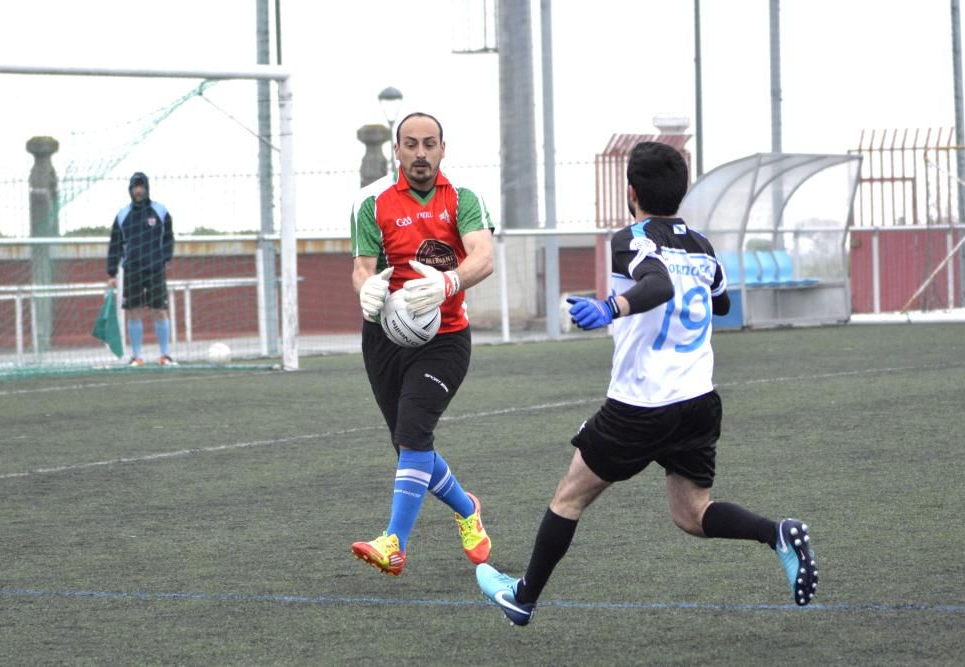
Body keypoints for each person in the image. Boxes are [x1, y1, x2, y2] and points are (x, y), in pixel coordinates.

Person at [476, 142, 818, 626]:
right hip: (698, 400)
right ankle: (777, 534)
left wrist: (611, 308)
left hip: (641, 404)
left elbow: (658, 284)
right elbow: (719, 303)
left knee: (568, 498)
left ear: (630, 192)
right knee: (692, 514)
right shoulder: (701, 245)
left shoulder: (631, 237)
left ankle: (523, 597)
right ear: (681, 194)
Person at [349, 112, 496, 576]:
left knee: (413, 432)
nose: (420, 153)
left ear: (442, 148)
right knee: (408, 447)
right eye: (410, 144)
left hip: (445, 339)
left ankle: (394, 543)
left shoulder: (463, 200)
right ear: (397, 150)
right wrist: (366, 291)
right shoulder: (371, 202)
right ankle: (467, 507)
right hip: (385, 338)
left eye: (429, 144)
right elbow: (362, 266)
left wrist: (449, 282)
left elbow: (483, 256)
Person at [106, 172, 176, 366]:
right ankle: (136, 357)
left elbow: (169, 238)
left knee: (159, 310)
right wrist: (111, 272)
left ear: (147, 188)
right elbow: (115, 245)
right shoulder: (122, 215)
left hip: (155, 269)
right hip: (132, 270)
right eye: (135, 187)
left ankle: (165, 355)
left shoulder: (160, 212)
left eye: (141, 186)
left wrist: (164, 258)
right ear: (130, 190)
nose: (138, 190)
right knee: (133, 311)